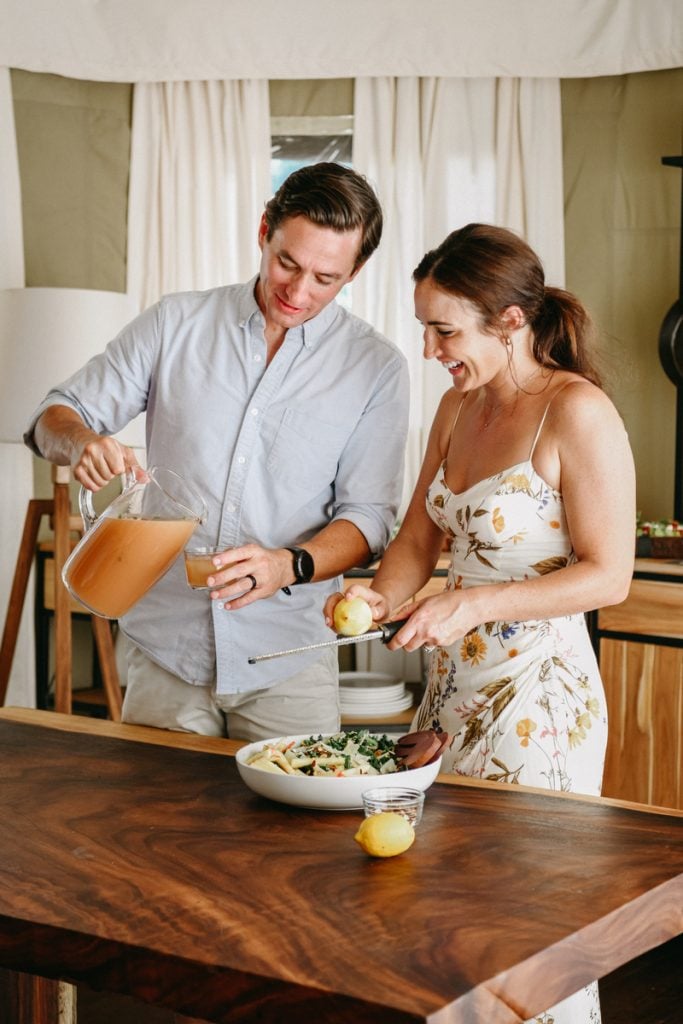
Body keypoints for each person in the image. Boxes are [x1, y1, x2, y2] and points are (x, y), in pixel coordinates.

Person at [325, 223, 635, 1024]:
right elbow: (417, 543)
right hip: (449, 696)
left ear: (508, 321)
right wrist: (372, 598)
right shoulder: (456, 407)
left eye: (443, 329)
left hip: (539, 702)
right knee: (448, 911)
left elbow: (609, 575)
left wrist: (471, 602)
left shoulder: (576, 411)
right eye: (425, 326)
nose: (429, 348)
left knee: (529, 919)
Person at [25, 162, 410, 741]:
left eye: (326, 278)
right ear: (264, 231)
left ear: (355, 270)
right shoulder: (174, 323)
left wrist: (290, 565)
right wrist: (82, 441)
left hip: (288, 657)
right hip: (165, 651)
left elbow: (370, 518)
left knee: (295, 834)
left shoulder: (376, 369)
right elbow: (52, 415)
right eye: (288, 262)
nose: (299, 292)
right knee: (155, 829)